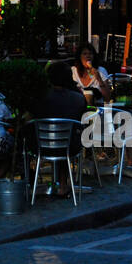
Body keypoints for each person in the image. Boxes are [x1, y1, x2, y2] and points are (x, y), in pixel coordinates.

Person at [33, 68, 89, 198]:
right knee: (64, 139)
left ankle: (32, 183)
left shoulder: (40, 97)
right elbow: (83, 118)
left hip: (42, 146)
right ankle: (63, 185)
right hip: (70, 147)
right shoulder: (78, 98)